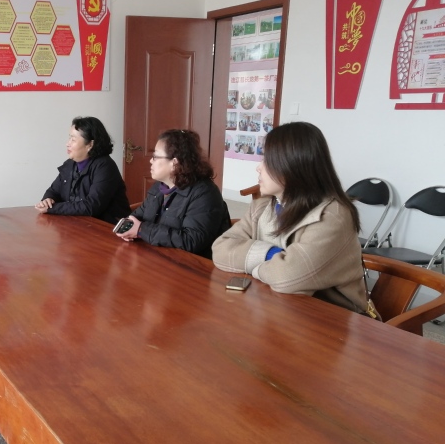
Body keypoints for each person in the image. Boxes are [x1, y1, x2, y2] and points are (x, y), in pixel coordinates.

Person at [212, 121, 368, 313]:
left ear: (292, 165)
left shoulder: (332, 215)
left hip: (332, 318)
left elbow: (286, 278)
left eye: (267, 160)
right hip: (277, 309)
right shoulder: (262, 206)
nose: (258, 168)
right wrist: (270, 254)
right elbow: (220, 250)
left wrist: (250, 263)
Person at [115, 129, 230, 258]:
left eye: (155, 157)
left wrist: (141, 229)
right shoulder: (160, 186)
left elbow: (191, 241)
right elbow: (138, 216)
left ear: (174, 162)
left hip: (192, 264)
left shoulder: (204, 193)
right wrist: (129, 227)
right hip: (158, 257)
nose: (151, 161)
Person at [35, 116, 130, 224]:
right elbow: (53, 191)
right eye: (69, 138)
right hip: (78, 224)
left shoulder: (105, 166)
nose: (67, 144)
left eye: (73, 139)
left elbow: (91, 206)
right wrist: (48, 200)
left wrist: (52, 208)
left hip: (106, 227)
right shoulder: (70, 164)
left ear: (90, 144)